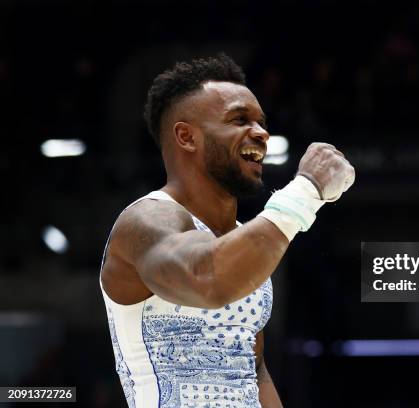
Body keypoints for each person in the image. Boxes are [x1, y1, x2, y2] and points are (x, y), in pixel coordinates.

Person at [99, 53, 355, 408]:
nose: (262, 133)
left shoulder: (243, 245)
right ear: (186, 137)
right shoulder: (145, 221)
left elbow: (255, 370)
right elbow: (207, 279)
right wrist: (306, 190)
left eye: (261, 121)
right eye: (239, 119)